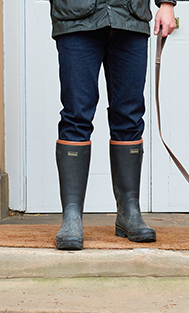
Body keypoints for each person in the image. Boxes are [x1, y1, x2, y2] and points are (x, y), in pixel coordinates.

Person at [51, 0, 178, 250]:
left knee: (129, 118)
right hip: (75, 18)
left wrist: (167, 3)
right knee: (76, 117)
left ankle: (129, 211)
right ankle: (72, 216)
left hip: (129, 17)